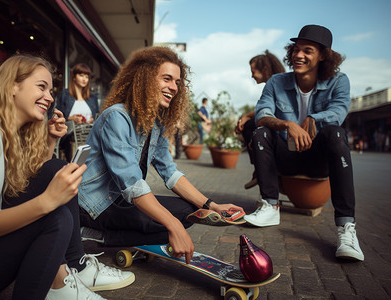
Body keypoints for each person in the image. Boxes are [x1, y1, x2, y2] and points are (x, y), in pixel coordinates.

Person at [0, 54, 134, 300]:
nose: (50, 97)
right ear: (12, 85)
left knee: (56, 170)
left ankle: (67, 273)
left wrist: (51, 139)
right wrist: (47, 202)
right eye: (41, 87)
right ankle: (59, 284)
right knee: (55, 217)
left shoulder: (4, 132)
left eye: (51, 90)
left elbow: (24, 183)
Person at [78, 46, 243, 264]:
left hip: (121, 198)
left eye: (177, 82)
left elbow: (170, 173)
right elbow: (133, 185)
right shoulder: (116, 117)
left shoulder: (154, 124)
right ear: (146, 79)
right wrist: (173, 226)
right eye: (167, 79)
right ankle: (96, 233)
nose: (174, 87)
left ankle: (124, 236)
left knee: (188, 211)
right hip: (95, 205)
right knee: (171, 226)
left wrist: (211, 205)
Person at [243, 25, 364, 261]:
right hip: (285, 157)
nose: (299, 55)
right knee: (259, 132)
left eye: (307, 50)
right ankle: (270, 206)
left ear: (323, 56)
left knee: (336, 133)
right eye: (296, 50)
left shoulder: (339, 81)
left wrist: (312, 119)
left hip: (317, 160)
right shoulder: (277, 82)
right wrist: (288, 125)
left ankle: (346, 229)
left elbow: (338, 112)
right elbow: (262, 114)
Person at [235, 50, 285, 189]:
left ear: (264, 69)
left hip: (281, 130)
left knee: (249, 126)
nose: (251, 75)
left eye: (253, 71)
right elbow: (263, 109)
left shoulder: (278, 83)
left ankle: (260, 167)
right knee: (249, 124)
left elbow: (273, 109)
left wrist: (246, 117)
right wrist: (245, 116)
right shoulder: (273, 84)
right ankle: (259, 167)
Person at [56, 63, 99, 161]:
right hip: (71, 138)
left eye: (87, 77)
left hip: (88, 137)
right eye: (81, 75)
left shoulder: (92, 98)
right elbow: (57, 117)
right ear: (74, 77)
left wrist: (92, 120)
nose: (84, 79)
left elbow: (97, 118)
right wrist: (70, 118)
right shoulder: (65, 95)